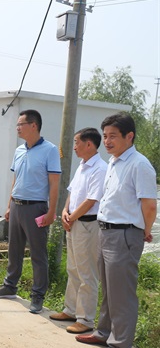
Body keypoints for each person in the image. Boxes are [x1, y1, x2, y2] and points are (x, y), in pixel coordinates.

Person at [76, 113, 157, 348]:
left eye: (113, 136)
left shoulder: (139, 165)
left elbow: (149, 205)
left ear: (129, 136)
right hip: (107, 231)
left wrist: (144, 230)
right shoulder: (114, 162)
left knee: (122, 295)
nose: (107, 141)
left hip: (124, 234)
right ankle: (103, 333)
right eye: (106, 136)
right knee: (110, 291)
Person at [0, 109, 61, 314]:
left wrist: (51, 213)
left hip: (36, 207)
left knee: (38, 254)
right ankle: (10, 286)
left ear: (34, 125)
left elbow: (54, 184)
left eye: (21, 124)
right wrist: (10, 205)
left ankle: (37, 296)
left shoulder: (50, 150)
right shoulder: (19, 150)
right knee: (14, 250)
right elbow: (16, 180)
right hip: (18, 206)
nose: (17, 127)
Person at [50, 128, 107, 334]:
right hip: (73, 223)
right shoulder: (82, 166)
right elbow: (72, 193)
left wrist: (72, 217)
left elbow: (92, 199)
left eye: (77, 143)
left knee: (87, 272)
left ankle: (85, 319)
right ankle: (71, 310)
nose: (73, 147)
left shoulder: (100, 168)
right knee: (73, 268)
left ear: (89, 144)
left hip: (87, 224)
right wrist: (65, 211)